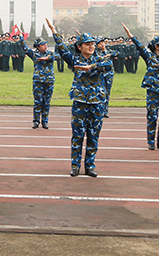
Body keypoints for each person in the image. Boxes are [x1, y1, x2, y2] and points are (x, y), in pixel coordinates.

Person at [47, 19, 112, 177]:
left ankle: (89, 165)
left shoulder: (99, 59)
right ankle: (75, 165)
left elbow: (108, 65)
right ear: (79, 46)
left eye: (92, 44)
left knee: (93, 135)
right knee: (77, 135)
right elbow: (62, 51)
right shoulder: (75, 60)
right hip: (81, 103)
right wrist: (54, 32)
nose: (91, 46)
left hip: (97, 103)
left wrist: (92, 66)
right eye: (87, 44)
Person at [20, 35, 55, 129]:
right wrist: (21, 37)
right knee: (37, 102)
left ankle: (45, 121)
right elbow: (25, 48)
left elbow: (58, 56)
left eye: (45, 44)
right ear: (38, 47)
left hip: (49, 81)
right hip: (38, 80)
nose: (45, 46)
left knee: (46, 102)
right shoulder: (34, 54)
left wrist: (47, 58)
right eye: (42, 44)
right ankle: (36, 121)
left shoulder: (50, 54)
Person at [96, 36, 119, 116]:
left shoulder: (108, 50)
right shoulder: (96, 53)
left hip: (109, 74)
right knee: (101, 92)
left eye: (103, 42)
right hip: (100, 74)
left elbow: (117, 52)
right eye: (99, 43)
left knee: (107, 92)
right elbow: (96, 59)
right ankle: (100, 109)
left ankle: (105, 110)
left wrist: (108, 55)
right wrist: (102, 57)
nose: (102, 44)